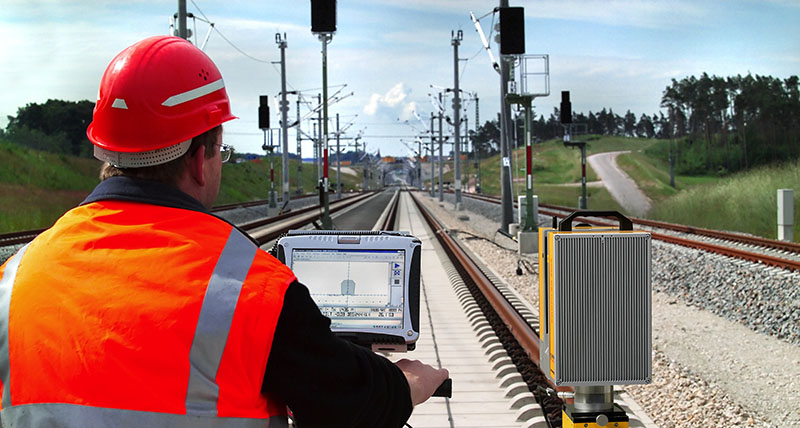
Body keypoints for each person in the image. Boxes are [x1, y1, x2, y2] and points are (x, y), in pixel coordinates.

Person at [0, 35, 447, 427]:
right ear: (200, 160)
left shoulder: (15, 279)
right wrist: (405, 384)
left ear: (107, 151)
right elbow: (346, 402)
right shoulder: (251, 289)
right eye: (221, 151)